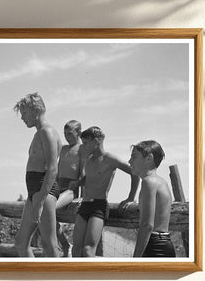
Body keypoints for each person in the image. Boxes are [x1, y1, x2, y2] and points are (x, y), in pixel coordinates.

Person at [71, 126, 140, 258]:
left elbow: (134, 173)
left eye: (85, 143)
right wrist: (78, 183)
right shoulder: (89, 160)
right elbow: (90, 178)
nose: (83, 147)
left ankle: (91, 278)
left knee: (88, 250)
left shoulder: (110, 158)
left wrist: (130, 197)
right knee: (76, 249)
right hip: (84, 205)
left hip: (99, 206)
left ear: (96, 141)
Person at [13, 92, 62, 258]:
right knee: (21, 243)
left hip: (44, 190)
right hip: (34, 191)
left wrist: (40, 201)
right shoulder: (39, 133)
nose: (22, 118)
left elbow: (53, 169)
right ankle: (35, 278)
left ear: (35, 110)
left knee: (49, 244)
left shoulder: (47, 132)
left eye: (24, 113)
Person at [126, 140, 175, 258]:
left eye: (134, 157)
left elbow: (147, 225)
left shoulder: (149, 182)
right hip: (163, 243)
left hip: (154, 246)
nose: (129, 161)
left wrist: (136, 258)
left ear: (149, 158)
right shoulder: (161, 182)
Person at [56, 120, 85, 257]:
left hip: (70, 190)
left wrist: (82, 197)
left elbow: (84, 174)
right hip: (57, 187)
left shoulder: (82, 149)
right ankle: (65, 245)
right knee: (41, 211)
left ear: (79, 132)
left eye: (70, 133)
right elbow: (57, 170)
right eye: (65, 134)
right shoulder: (63, 149)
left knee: (48, 209)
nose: (67, 136)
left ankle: (67, 247)